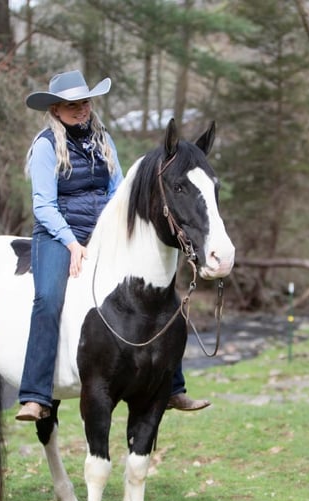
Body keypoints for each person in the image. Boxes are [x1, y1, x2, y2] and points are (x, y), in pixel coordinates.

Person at [15, 70, 210, 421]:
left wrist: (122, 233)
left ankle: (173, 387)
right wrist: (73, 244)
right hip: (59, 235)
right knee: (47, 300)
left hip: (102, 232)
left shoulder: (102, 139)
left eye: (85, 103)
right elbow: (43, 205)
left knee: (158, 292)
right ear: (56, 109)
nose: (81, 110)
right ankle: (35, 395)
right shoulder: (46, 145)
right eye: (72, 105)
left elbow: (117, 190)